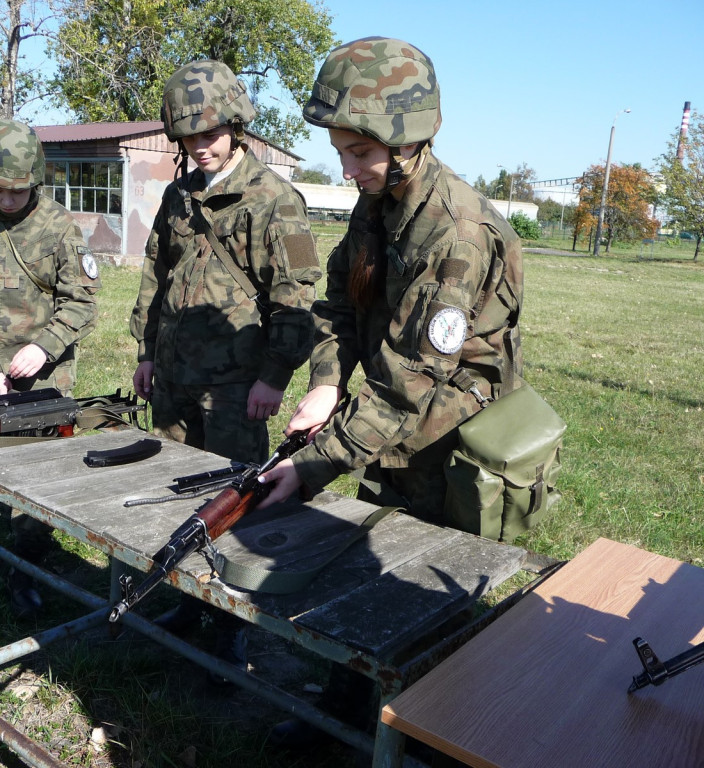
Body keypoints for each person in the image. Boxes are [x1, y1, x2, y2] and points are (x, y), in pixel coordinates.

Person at [255, 36, 524, 747]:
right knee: (365, 579)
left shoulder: (454, 233)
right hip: (387, 420)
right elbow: (341, 307)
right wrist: (322, 386)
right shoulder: (378, 204)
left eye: (358, 153)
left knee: (431, 599)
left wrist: (315, 464)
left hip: (448, 443)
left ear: (406, 141)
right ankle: (344, 714)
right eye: (340, 151)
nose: (346, 170)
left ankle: (437, 738)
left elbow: (411, 380)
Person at [129, 60, 321, 681]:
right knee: (172, 496)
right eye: (189, 136)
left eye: (210, 133)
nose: (201, 146)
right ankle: (181, 603)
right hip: (176, 379)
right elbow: (155, 278)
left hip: (238, 388)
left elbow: (295, 297)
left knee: (232, 505)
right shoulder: (177, 196)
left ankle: (229, 627)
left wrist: (274, 375)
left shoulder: (273, 200)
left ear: (235, 126)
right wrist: (146, 354)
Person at [0, 118, 101, 617]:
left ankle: (26, 565)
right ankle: (8, 544)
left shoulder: (57, 224)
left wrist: (46, 347)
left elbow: (82, 302)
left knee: (39, 474)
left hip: (46, 377)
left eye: (20, 190)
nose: (8, 200)